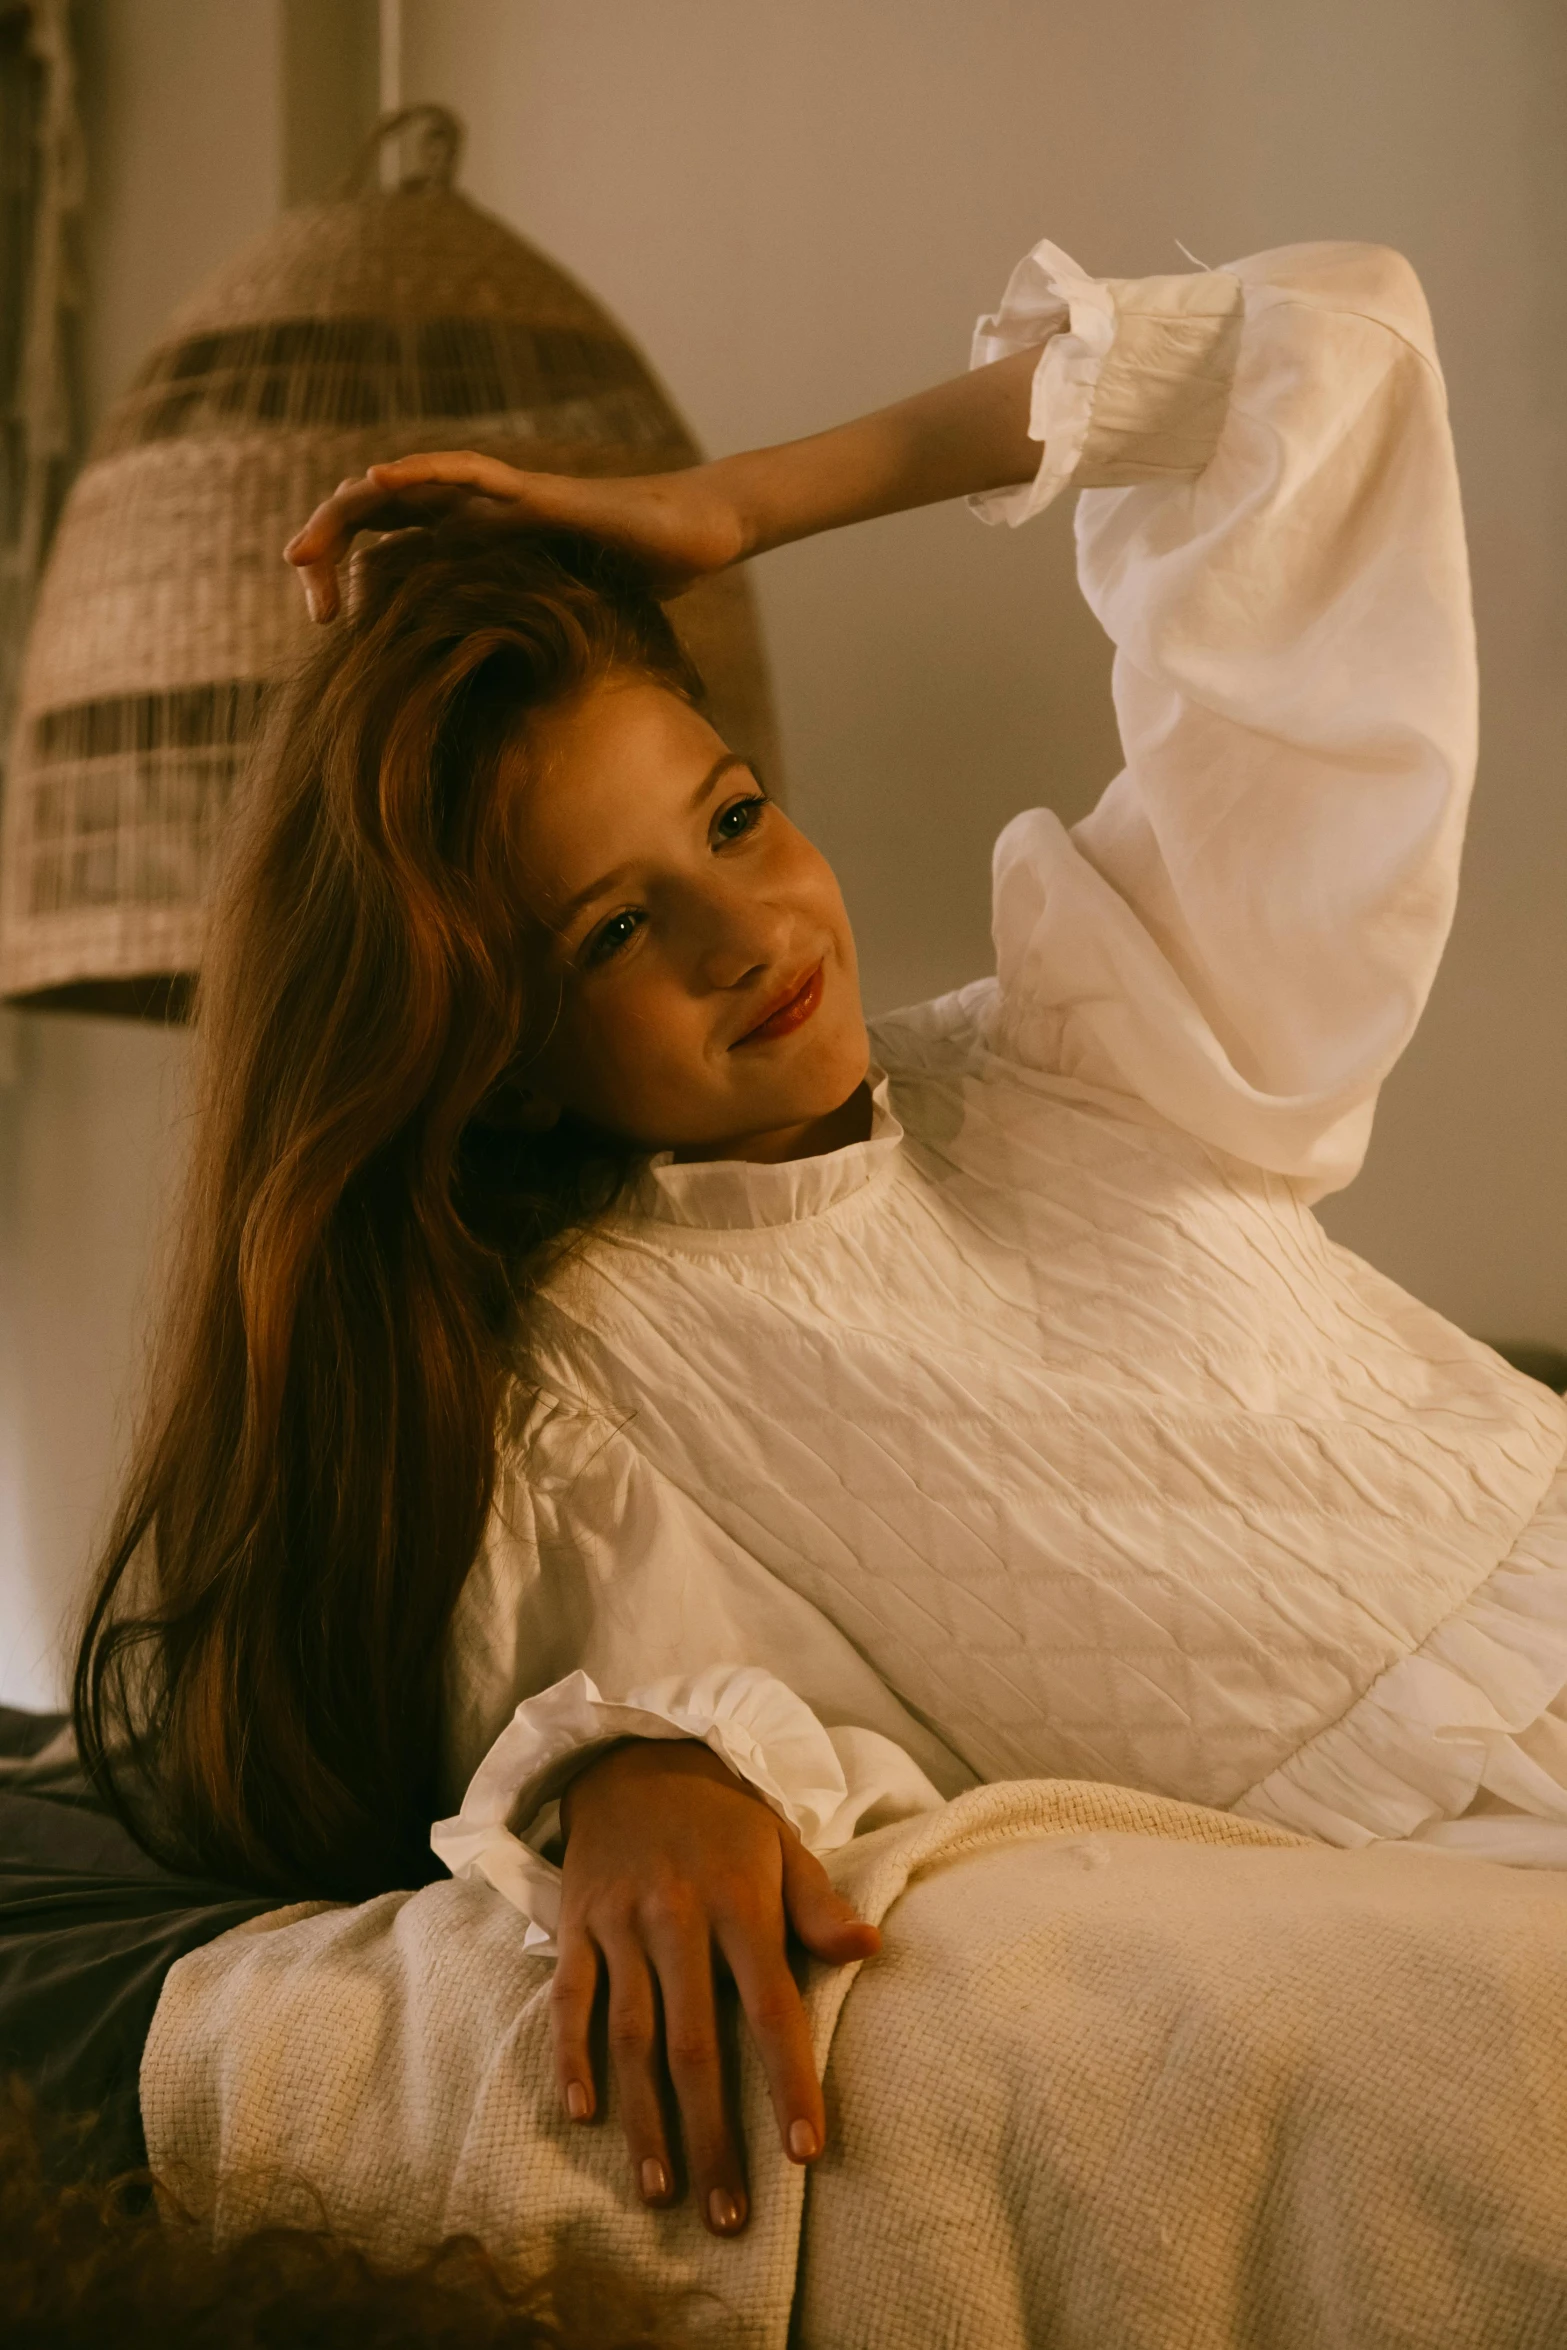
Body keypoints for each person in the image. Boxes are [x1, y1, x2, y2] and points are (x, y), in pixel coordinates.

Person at [76, 234, 1567, 2243]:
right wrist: (628, 1768)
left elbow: (1333, 351)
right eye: (612, 931)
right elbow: (685, 1705)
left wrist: (736, 508)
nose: (748, 930)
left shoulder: (1095, 1044)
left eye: (735, 814)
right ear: (497, 1056)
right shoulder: (592, 1376)